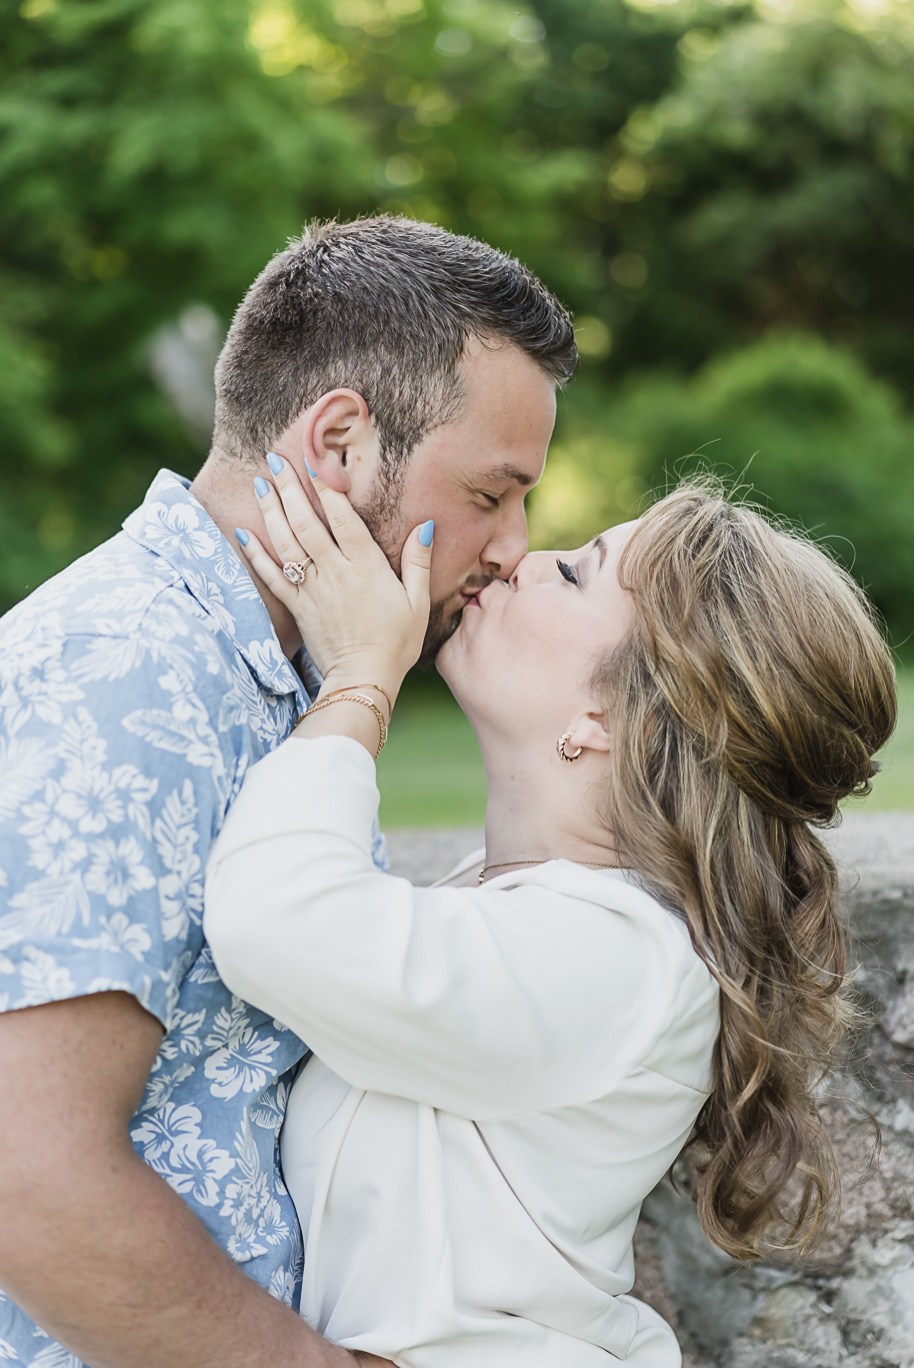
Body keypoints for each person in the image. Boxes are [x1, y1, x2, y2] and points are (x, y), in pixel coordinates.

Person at [0, 217, 574, 1368]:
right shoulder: (127, 677)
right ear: (342, 440)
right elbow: (27, 1170)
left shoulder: (276, 683)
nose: (512, 547)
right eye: (490, 493)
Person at [204, 466, 896, 1366]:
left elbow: (277, 917)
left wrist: (360, 685)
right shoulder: (514, 905)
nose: (527, 557)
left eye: (577, 573)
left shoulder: (616, 960)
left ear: (609, 717)